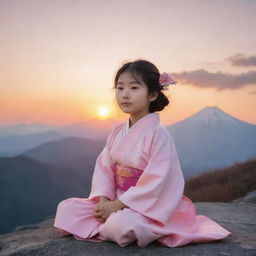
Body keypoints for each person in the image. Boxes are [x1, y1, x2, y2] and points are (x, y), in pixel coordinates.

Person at [53, 59, 231, 248]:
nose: (125, 95)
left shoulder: (159, 134)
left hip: (147, 207)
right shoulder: (116, 132)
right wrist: (104, 202)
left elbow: (157, 181)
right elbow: (104, 169)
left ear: (152, 94)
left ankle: (116, 226)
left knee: (123, 224)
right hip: (115, 201)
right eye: (120, 88)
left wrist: (118, 206)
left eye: (134, 88)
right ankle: (109, 223)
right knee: (66, 208)